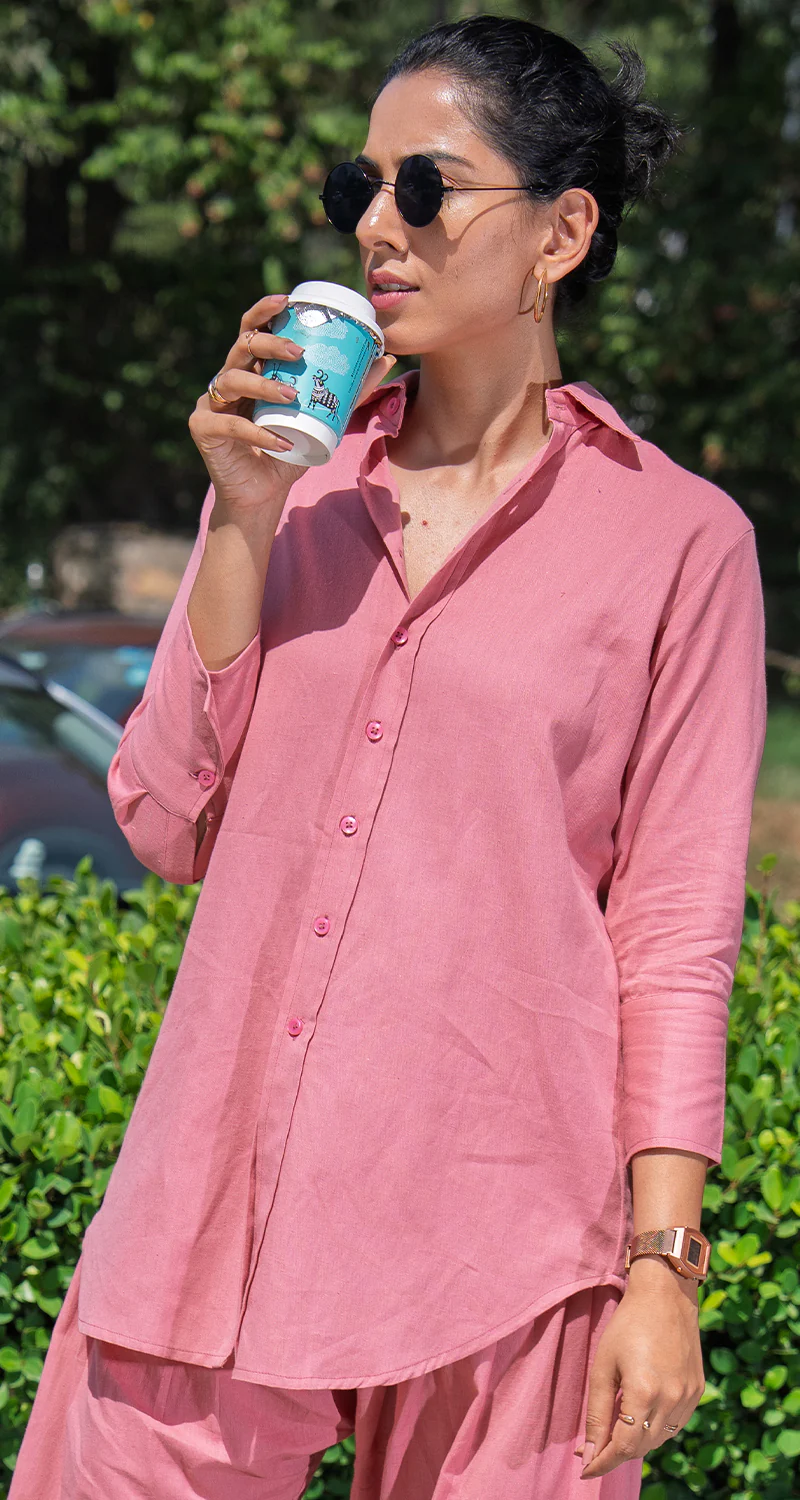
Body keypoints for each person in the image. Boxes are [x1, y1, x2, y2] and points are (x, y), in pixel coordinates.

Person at [10, 14, 766, 1500]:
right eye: (357, 187)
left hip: (507, 1245)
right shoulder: (287, 489)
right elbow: (164, 821)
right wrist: (241, 521)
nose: (374, 225)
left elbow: (675, 932)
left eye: (426, 187)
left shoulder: (681, 545)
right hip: (214, 1202)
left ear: (562, 232)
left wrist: (663, 1264)